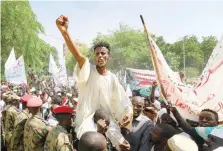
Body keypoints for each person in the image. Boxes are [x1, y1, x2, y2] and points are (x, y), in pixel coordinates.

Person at [56, 15, 133, 150]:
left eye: (103, 53)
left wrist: (129, 113)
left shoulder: (112, 78)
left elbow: (122, 100)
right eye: (97, 53)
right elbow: (78, 55)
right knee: (90, 143)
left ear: (108, 57)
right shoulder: (87, 70)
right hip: (87, 121)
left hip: (108, 121)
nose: (100, 56)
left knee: (123, 146)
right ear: (94, 56)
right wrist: (64, 32)